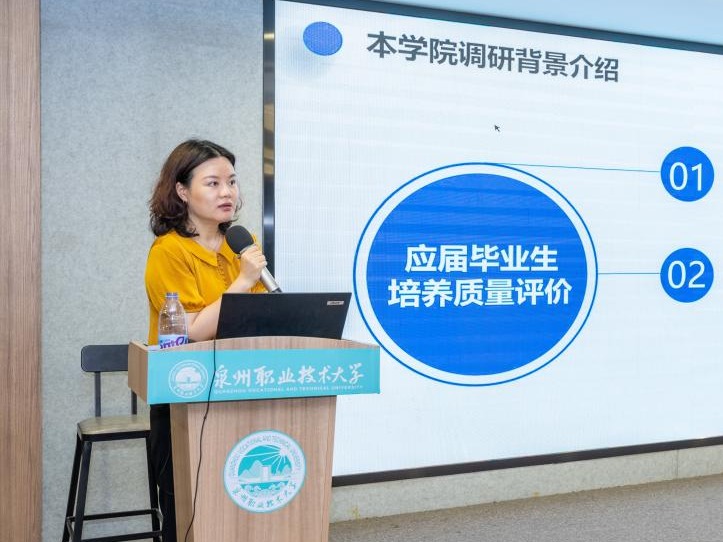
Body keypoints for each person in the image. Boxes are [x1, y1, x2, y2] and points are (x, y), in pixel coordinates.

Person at [144, 139, 267, 541]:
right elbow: (193, 329)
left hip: (242, 384)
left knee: (240, 502)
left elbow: (261, 316)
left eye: (231, 181)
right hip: (186, 391)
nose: (227, 192)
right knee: (189, 508)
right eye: (213, 183)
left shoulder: (241, 246)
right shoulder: (168, 251)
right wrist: (243, 281)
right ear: (182, 191)